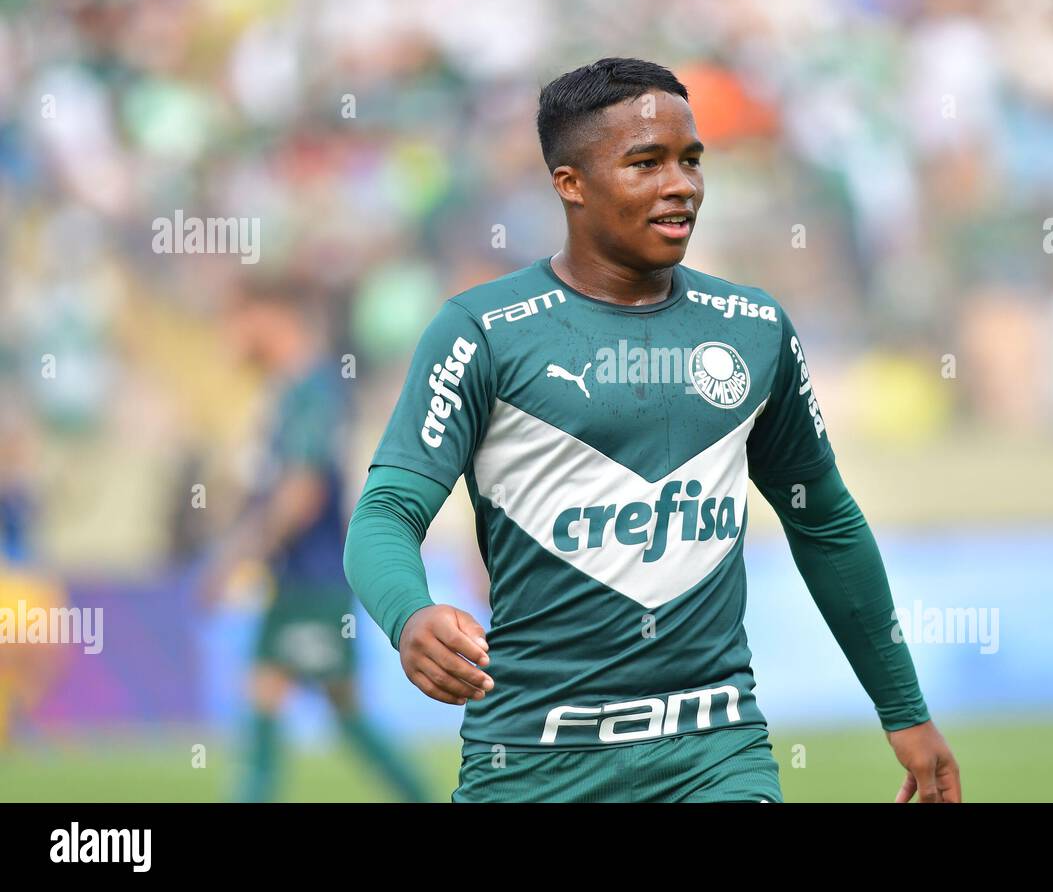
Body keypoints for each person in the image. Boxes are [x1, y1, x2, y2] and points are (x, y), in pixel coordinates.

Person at [344, 57, 961, 802]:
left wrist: (904, 711)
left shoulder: (753, 329)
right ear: (570, 183)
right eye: (646, 163)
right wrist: (408, 614)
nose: (681, 184)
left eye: (690, 160)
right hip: (530, 760)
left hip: (715, 752)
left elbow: (826, 522)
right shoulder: (482, 332)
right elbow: (384, 513)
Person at [206, 282, 430, 803]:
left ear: (270, 315)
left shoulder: (311, 389)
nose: (231, 337)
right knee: (326, 703)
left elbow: (301, 493)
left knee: (276, 695)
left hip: (314, 581)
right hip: (305, 580)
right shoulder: (297, 388)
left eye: (238, 320)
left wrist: (234, 558)